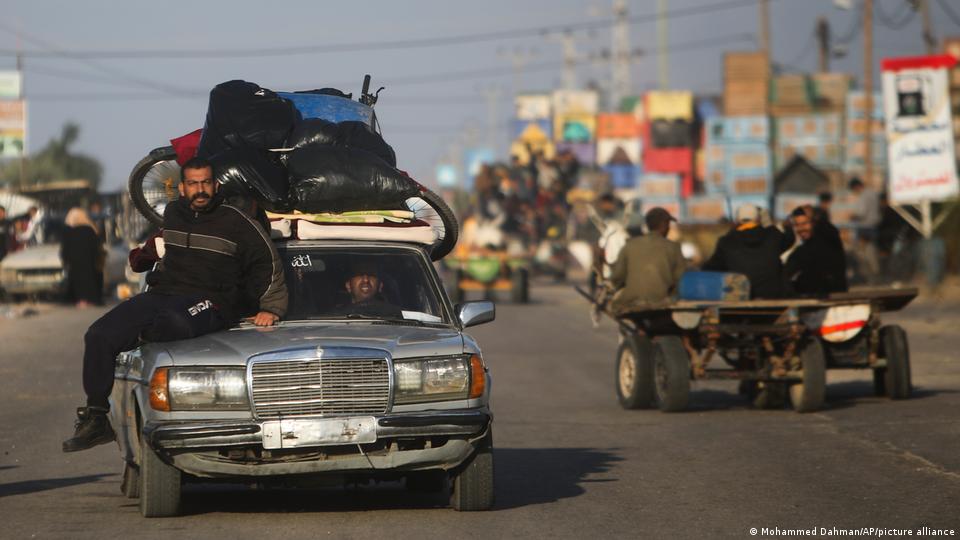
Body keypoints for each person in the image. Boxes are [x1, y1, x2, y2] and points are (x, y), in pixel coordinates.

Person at [62, 156, 288, 453]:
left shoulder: (237, 222)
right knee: (98, 335)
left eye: (206, 182)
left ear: (215, 184)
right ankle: (96, 418)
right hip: (163, 293)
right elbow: (152, 252)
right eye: (193, 183)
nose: (200, 189)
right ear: (182, 188)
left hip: (213, 299)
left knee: (172, 325)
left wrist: (270, 308)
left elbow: (267, 263)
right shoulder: (173, 213)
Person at [702, 204, 789, 299]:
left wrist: (732, 230)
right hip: (772, 298)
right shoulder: (773, 237)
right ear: (758, 219)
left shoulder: (727, 241)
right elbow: (789, 239)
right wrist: (768, 224)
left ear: (737, 220)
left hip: (740, 299)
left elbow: (710, 268)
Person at [609, 207, 686, 311]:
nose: (669, 228)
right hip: (660, 304)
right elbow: (681, 280)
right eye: (668, 225)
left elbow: (617, 277)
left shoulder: (630, 245)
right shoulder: (674, 247)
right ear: (663, 225)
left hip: (630, 303)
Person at [784, 205, 847, 296]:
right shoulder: (802, 251)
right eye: (797, 225)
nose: (801, 229)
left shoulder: (828, 241)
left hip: (832, 298)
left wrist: (817, 218)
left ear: (814, 223)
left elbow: (829, 230)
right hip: (812, 299)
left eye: (805, 223)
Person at [60, 207, 105, 308]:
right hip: (90, 262)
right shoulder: (90, 229)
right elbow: (97, 247)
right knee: (90, 279)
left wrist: (65, 259)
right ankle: (91, 300)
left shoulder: (69, 231)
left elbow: (65, 249)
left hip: (75, 263)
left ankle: (81, 300)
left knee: (78, 281)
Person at [335, 260, 402, 318]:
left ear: (380, 286)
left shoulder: (399, 317)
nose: (366, 279)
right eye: (360, 274)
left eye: (371, 275)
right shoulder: (333, 318)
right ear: (348, 286)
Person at [848, 177, 881, 282]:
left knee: (864, 253)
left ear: (856, 187)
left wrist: (852, 216)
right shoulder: (873, 193)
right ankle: (875, 274)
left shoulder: (864, 196)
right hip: (873, 226)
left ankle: (870, 276)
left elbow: (861, 213)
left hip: (864, 227)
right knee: (871, 251)